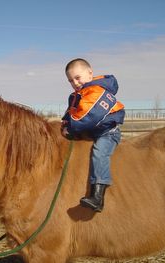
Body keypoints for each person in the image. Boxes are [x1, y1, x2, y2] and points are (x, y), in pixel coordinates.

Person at [61, 58, 125, 212]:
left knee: (99, 153)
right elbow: (72, 112)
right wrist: (64, 122)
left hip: (107, 133)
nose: (75, 83)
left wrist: (71, 128)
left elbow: (89, 116)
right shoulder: (79, 94)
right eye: (71, 81)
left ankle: (97, 196)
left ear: (90, 73)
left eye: (77, 78)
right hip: (92, 131)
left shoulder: (96, 91)